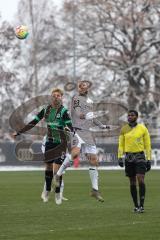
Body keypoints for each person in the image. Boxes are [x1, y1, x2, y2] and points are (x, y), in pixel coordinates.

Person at [13, 88, 72, 205]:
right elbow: (33, 122)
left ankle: (58, 194)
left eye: (58, 95)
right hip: (49, 142)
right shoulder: (46, 110)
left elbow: (70, 126)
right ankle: (47, 191)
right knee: (49, 168)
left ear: (61, 97)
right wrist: (20, 131)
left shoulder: (64, 111)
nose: (56, 97)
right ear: (51, 97)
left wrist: (68, 129)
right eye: (54, 95)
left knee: (58, 171)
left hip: (60, 143)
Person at [55, 81, 109, 202]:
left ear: (88, 88)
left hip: (87, 132)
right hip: (77, 131)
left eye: (84, 86)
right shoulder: (76, 98)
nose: (81, 88)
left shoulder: (90, 101)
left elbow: (92, 117)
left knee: (94, 161)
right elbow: (79, 113)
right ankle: (58, 175)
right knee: (75, 154)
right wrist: (84, 116)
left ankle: (95, 190)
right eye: (80, 86)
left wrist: (102, 126)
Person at [118, 110, 151, 213]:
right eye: (128, 115)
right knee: (132, 181)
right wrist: (119, 157)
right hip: (129, 157)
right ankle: (136, 206)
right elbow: (121, 145)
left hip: (140, 156)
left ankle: (142, 205)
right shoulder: (124, 129)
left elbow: (147, 144)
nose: (129, 117)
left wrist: (149, 159)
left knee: (140, 179)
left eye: (132, 115)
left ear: (137, 117)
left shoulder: (142, 128)